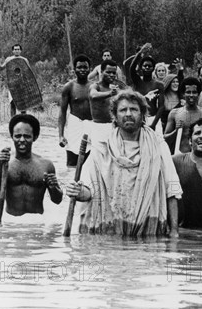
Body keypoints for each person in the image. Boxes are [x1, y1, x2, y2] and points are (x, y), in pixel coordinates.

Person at [65, 90, 182, 237]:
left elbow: (172, 189)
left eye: (133, 109)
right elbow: (89, 190)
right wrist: (78, 192)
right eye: (123, 110)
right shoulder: (102, 147)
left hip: (147, 229)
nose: (128, 114)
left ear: (142, 114)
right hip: (108, 228)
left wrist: (174, 231)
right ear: (115, 116)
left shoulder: (158, 146)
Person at [0, 114, 62, 216]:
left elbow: (57, 200)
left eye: (26, 136)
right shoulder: (2, 163)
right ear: (12, 136)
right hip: (11, 224)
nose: (21, 140)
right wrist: (0, 167)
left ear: (35, 137)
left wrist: (54, 187)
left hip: (36, 224)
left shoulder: (46, 165)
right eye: (17, 136)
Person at [164, 77, 202, 154]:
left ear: (198, 94)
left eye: (194, 92)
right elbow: (165, 138)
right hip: (182, 156)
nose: (191, 95)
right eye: (188, 92)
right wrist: (175, 131)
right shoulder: (175, 113)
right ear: (183, 94)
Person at [59, 54, 93, 167]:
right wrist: (61, 135)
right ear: (74, 69)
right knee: (72, 160)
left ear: (90, 69)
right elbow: (62, 112)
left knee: (90, 161)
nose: (82, 70)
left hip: (91, 125)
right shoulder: (69, 87)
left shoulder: (95, 87)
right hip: (74, 124)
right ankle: (71, 182)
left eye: (85, 67)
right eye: (79, 67)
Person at [88, 59, 124, 146]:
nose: (111, 75)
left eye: (113, 73)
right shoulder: (96, 86)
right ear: (101, 71)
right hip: (98, 127)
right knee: (98, 156)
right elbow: (93, 95)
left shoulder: (116, 88)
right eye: (108, 72)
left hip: (113, 127)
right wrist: (110, 93)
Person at [0, 43, 30, 116]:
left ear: (20, 50)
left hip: (22, 85)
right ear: (13, 51)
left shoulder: (24, 60)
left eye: (18, 49)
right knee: (12, 103)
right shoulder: (9, 59)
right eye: (15, 49)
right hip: (12, 85)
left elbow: (28, 72)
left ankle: (23, 121)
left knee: (23, 105)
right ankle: (13, 121)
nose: (16, 51)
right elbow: (1, 68)